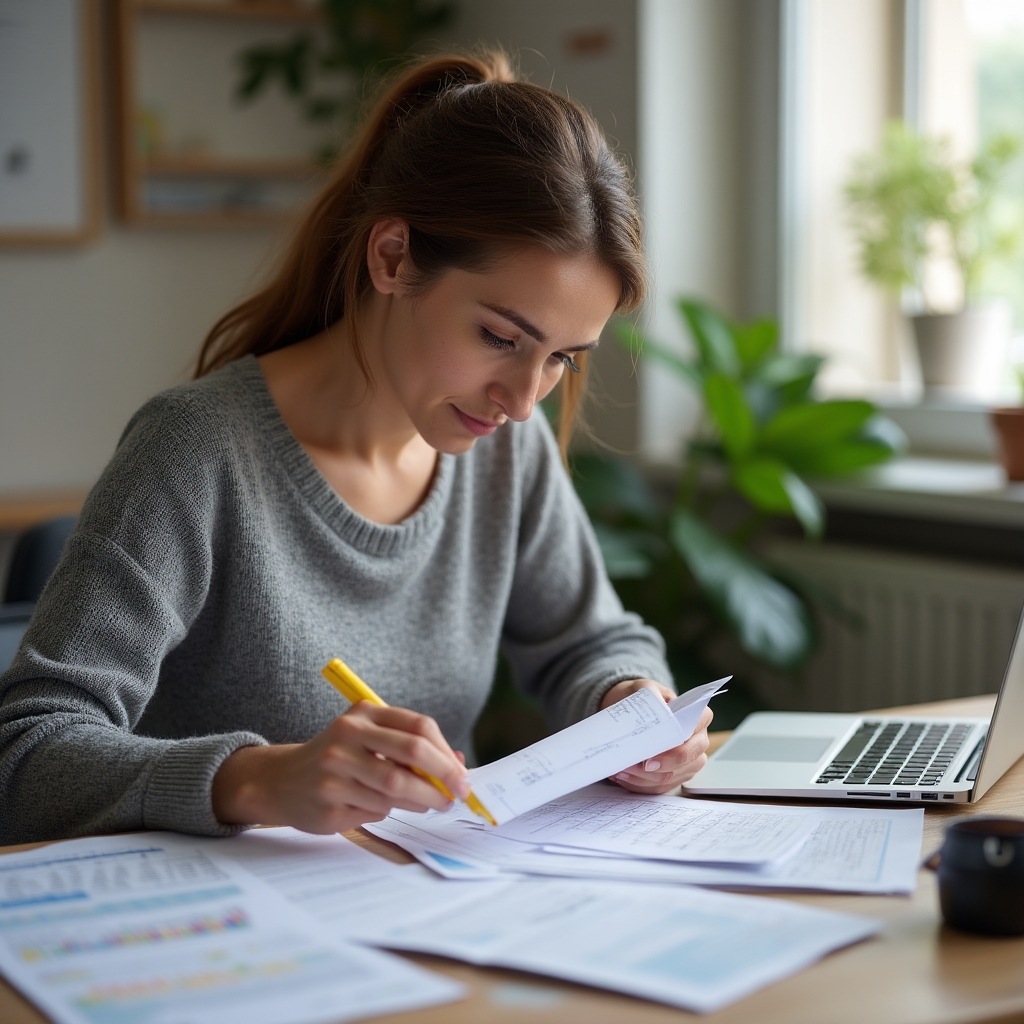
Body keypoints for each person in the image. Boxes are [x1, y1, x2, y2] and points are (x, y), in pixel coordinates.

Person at [0, 51, 711, 845]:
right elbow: (26, 751)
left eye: (561, 359)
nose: (522, 400)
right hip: (225, 932)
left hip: (438, 913)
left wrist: (629, 704)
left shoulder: (506, 449)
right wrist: (259, 778)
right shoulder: (197, 451)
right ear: (392, 257)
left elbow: (593, 639)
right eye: (500, 337)